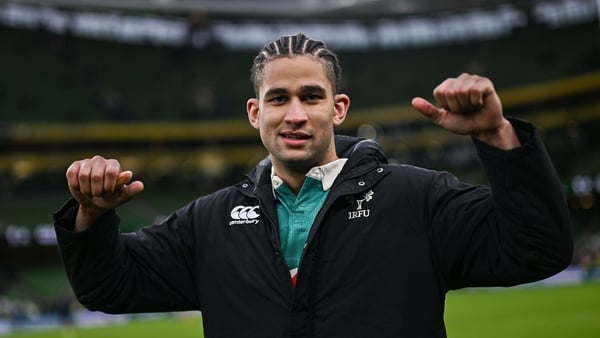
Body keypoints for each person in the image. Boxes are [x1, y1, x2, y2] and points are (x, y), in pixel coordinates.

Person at [53, 33, 573, 338]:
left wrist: (498, 138)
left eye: (311, 96)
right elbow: (108, 285)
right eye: (278, 99)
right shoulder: (208, 221)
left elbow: (537, 249)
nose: (295, 115)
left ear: (338, 107)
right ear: (255, 113)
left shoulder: (418, 198)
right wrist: (92, 216)